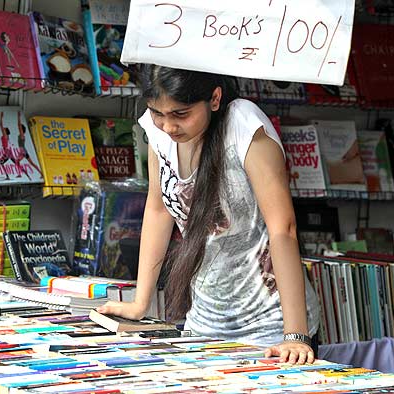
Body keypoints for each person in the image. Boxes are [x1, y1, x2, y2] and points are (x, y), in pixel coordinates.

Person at [97, 65, 321, 364]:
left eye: (181, 114)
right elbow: (158, 209)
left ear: (214, 99)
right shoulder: (160, 132)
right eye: (157, 113)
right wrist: (141, 302)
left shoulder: (243, 122)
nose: (168, 126)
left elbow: (283, 228)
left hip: (271, 325)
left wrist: (295, 336)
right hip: (205, 321)